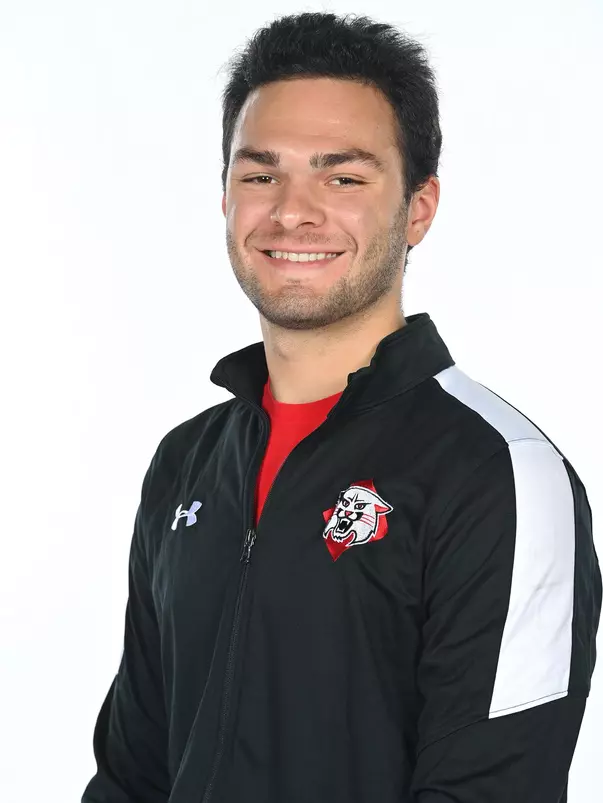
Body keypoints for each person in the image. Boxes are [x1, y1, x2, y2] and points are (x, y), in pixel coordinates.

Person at [81, 12, 601, 803]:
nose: (292, 211)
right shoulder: (186, 463)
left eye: (343, 177)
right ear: (225, 197)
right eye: (260, 174)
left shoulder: (499, 473)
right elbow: (132, 775)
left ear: (418, 208)